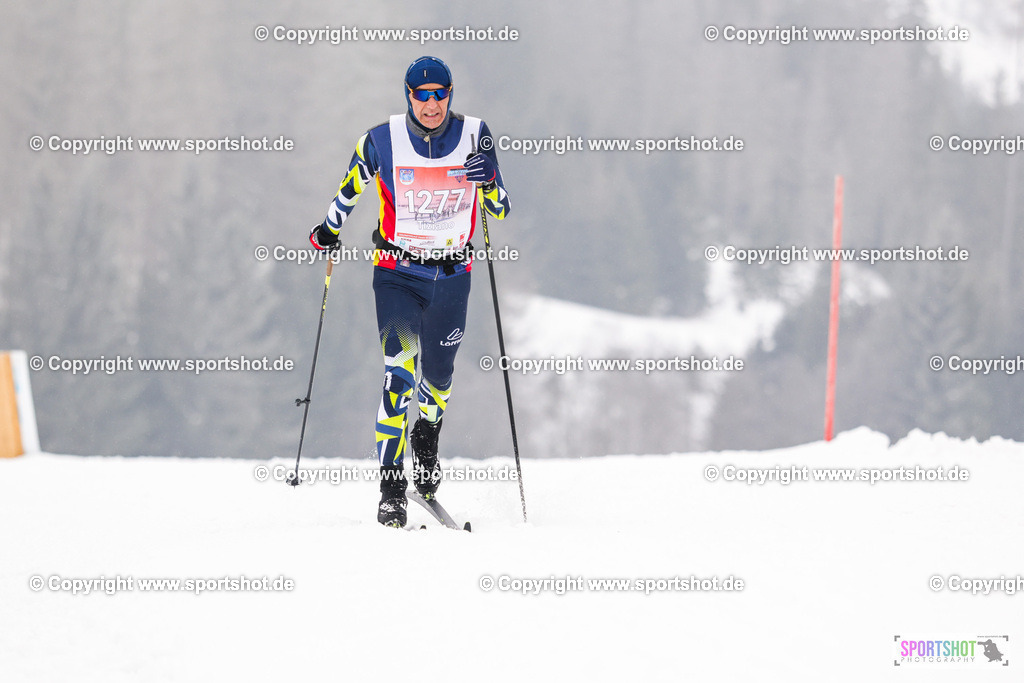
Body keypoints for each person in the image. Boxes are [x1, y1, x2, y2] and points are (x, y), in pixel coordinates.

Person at [309, 56, 511, 528]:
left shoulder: (476, 135)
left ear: (450, 94)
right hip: (397, 274)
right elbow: (350, 188)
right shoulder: (381, 139)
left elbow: (499, 209)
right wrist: (328, 230)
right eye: (422, 95)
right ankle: (391, 489)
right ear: (408, 96)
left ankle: (427, 439)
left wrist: (490, 181)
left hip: (452, 277)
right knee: (399, 375)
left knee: (438, 383)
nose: (432, 104)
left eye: (440, 94)